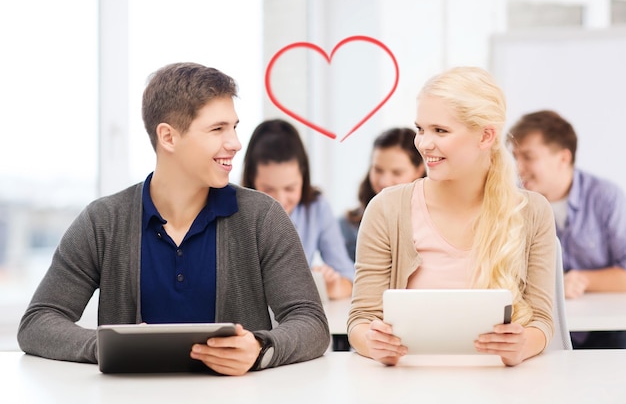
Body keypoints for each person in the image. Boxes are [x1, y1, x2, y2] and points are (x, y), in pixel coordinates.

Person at [17, 62, 330, 375]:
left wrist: (260, 348)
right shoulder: (103, 222)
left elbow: (312, 324)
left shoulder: (262, 218)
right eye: (218, 129)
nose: (235, 143)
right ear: (168, 137)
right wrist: (107, 346)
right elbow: (38, 321)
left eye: (234, 127)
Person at [347, 66, 557, 367]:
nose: (423, 143)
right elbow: (360, 320)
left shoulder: (532, 212)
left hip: (500, 385)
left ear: (485, 136)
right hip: (408, 383)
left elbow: (542, 322)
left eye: (440, 131)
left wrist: (522, 345)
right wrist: (373, 342)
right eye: (420, 129)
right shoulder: (387, 208)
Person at [508, 109, 626, 349]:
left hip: (605, 332)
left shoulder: (605, 197)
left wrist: (581, 280)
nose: (518, 167)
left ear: (563, 158)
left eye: (528, 157)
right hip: (540, 328)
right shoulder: (514, 204)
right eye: (515, 156)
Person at [241, 119, 354, 300]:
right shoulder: (235, 209)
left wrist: (333, 286)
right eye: (268, 189)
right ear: (251, 180)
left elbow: (349, 276)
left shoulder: (317, 208)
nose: (279, 200)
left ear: (303, 178)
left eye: (290, 188)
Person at [339, 127, 426, 262]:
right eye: (378, 170)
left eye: (397, 173)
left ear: (419, 170)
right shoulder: (346, 226)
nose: (384, 182)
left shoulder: (433, 223)